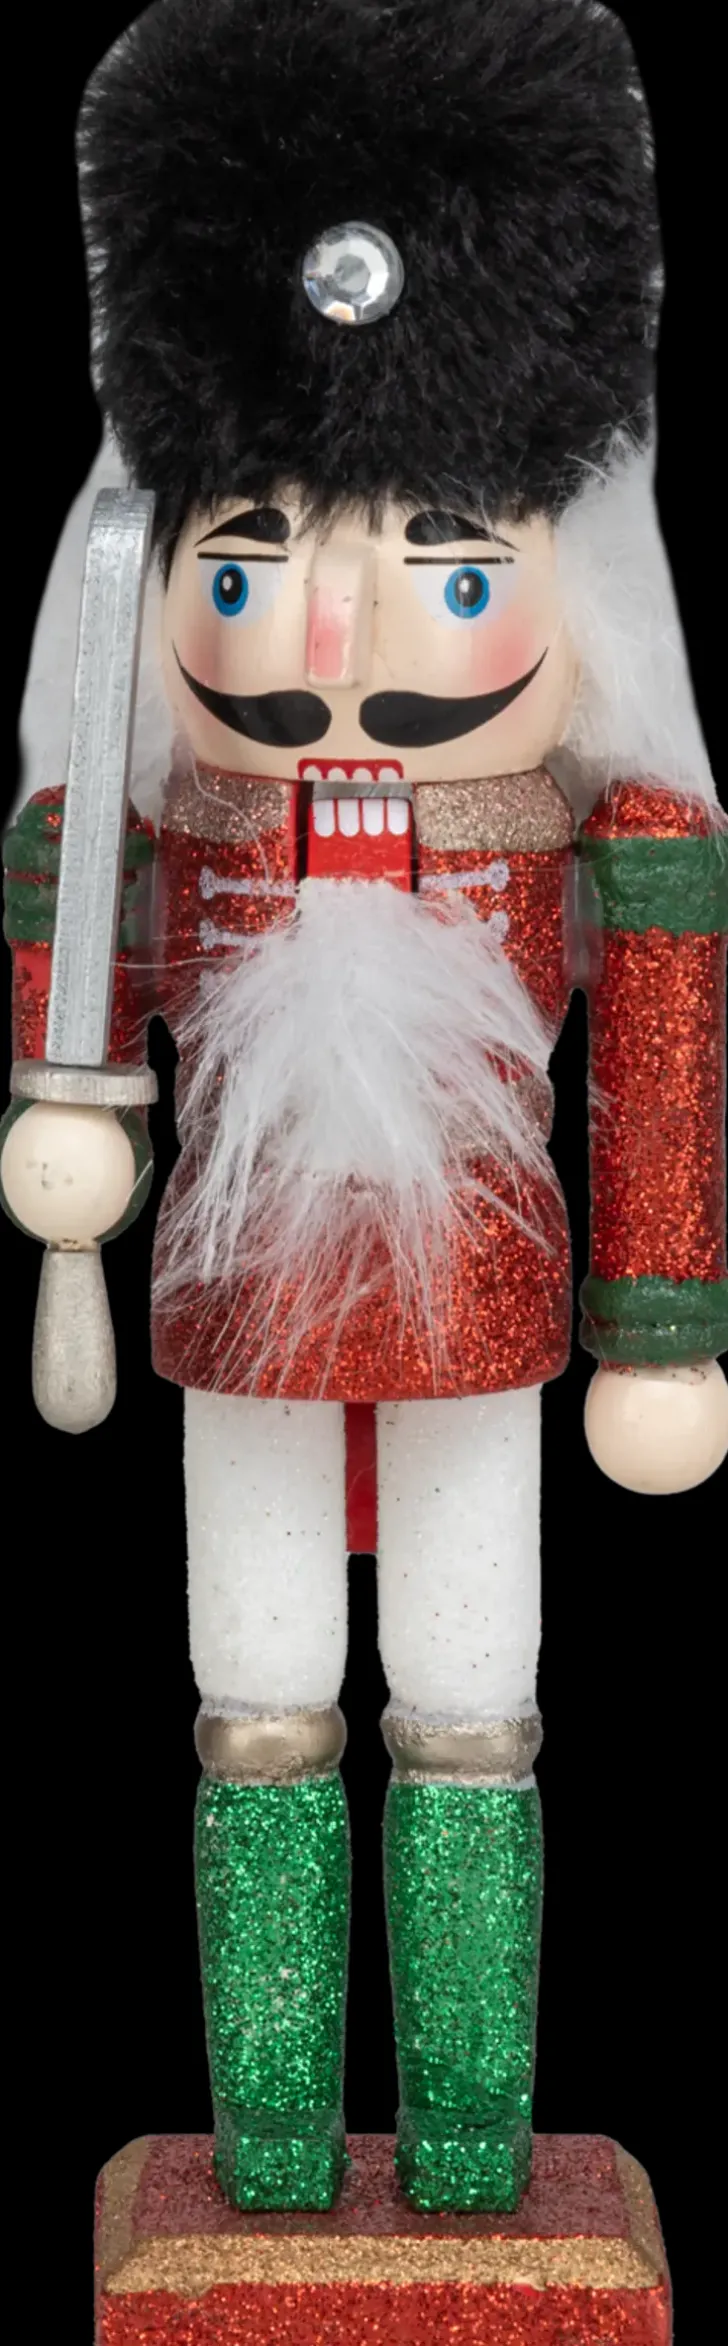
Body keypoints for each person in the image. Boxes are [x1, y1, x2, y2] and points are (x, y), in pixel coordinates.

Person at [3, 0, 727, 2217]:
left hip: (483, 1302)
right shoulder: (156, 825)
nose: (334, 626)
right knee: (254, 1694)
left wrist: (661, 1326)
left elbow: (663, 1043)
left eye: (444, 557)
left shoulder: (591, 833)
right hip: (242, 1307)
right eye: (243, 566)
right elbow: (75, 918)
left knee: (475, 1693)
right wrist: (73, 1113)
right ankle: (273, 2147)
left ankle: (480, 2145)